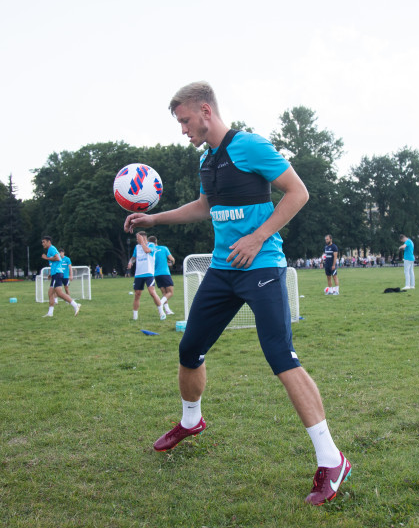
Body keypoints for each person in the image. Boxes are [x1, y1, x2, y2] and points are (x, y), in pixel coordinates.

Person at [123, 81, 349, 505]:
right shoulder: (207, 159)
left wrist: (259, 237)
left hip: (261, 267)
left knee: (281, 357)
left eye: (186, 121)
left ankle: (331, 459)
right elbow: (205, 206)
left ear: (205, 111)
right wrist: (154, 221)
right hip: (223, 271)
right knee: (189, 349)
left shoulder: (249, 146)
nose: (183, 130)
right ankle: (192, 421)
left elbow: (298, 192)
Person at [127, 231, 166, 321]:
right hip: (138, 274)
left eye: (138, 238)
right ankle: (135, 317)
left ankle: (161, 312)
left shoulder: (151, 245)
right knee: (137, 294)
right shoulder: (137, 247)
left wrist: (142, 242)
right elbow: (133, 257)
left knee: (152, 292)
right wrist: (130, 262)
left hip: (149, 273)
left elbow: (147, 251)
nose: (137, 240)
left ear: (143, 237)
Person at [41, 236, 81, 317]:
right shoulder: (50, 249)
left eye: (44, 242)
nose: (43, 244)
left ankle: (75, 305)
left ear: (49, 242)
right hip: (55, 273)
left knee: (59, 293)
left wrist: (46, 258)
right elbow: (54, 263)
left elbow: (58, 259)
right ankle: (50, 313)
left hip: (57, 273)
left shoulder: (51, 248)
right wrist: (50, 273)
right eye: (42, 242)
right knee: (50, 293)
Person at [149, 235, 176, 315]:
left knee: (164, 293)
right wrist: (171, 263)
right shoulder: (164, 248)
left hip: (156, 274)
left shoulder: (150, 251)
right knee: (170, 292)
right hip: (165, 273)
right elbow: (172, 259)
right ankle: (160, 303)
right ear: (156, 240)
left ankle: (167, 310)